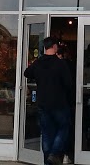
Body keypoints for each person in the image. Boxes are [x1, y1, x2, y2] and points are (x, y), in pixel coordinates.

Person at [24, 37, 74, 165]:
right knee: (64, 127)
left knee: (46, 133)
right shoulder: (60, 64)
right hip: (59, 103)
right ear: (55, 47)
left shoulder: (38, 63)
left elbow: (27, 73)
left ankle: (48, 161)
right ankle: (54, 153)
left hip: (43, 103)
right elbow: (68, 84)